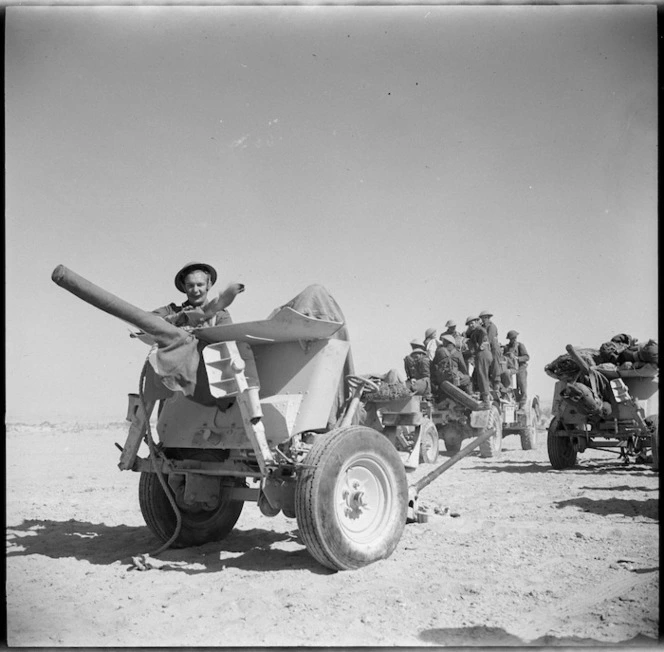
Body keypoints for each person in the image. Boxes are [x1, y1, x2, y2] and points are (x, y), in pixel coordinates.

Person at [152, 261, 244, 330]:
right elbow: (144, 321)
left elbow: (226, 340)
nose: (195, 290)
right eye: (190, 285)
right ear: (184, 286)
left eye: (200, 285)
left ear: (209, 285)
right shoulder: (170, 311)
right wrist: (177, 317)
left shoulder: (220, 315)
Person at [431, 334, 471, 401]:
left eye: (443, 341)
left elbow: (434, 364)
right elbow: (463, 368)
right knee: (468, 379)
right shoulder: (458, 353)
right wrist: (462, 374)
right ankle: (469, 394)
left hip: (442, 378)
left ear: (446, 342)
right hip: (453, 378)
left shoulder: (439, 351)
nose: (442, 342)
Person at [466, 318, 493, 407]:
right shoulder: (475, 331)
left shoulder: (479, 330)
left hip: (482, 354)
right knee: (479, 375)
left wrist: (480, 344)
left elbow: (483, 332)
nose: (470, 325)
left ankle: (486, 399)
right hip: (482, 354)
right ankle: (484, 396)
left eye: (472, 323)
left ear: (477, 322)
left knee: (482, 375)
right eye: (469, 324)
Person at [479, 310, 505, 390]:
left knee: (495, 364)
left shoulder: (492, 326)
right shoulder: (482, 326)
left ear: (488, 318)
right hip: (486, 348)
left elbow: (489, 339)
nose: (484, 319)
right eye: (483, 318)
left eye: (485, 318)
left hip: (493, 347)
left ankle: (496, 382)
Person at [504, 330, 530, 407]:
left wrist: (517, 358)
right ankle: (512, 399)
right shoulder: (507, 347)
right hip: (511, 367)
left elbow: (526, 357)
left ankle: (522, 404)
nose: (514, 339)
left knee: (522, 384)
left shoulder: (520, 345)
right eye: (512, 338)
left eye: (515, 338)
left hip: (521, 367)